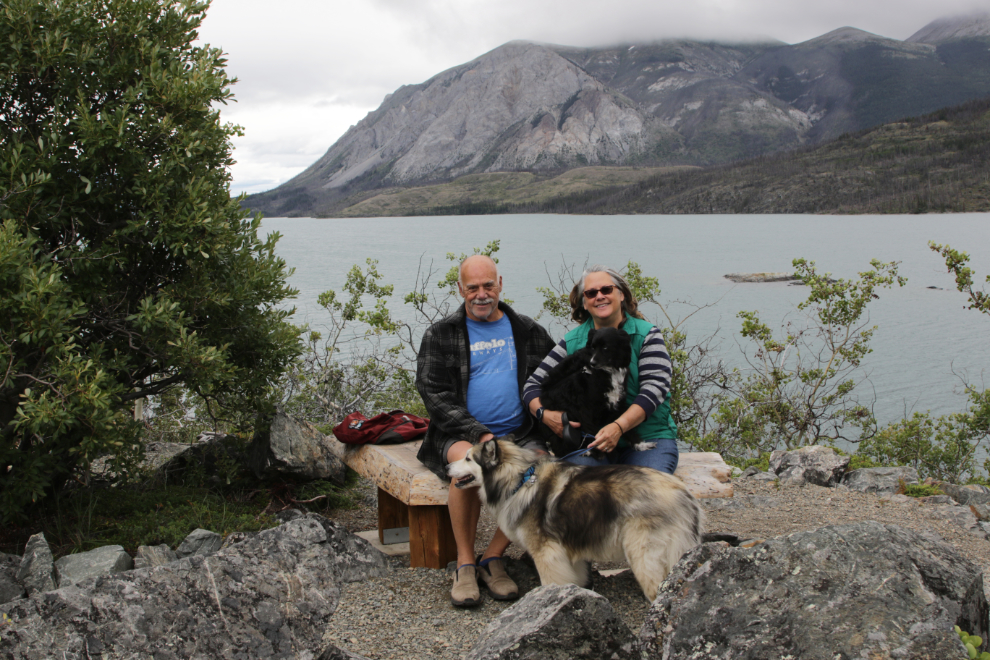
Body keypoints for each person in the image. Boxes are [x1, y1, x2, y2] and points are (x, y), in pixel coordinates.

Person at [416, 254, 555, 608]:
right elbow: (433, 393)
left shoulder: (528, 330)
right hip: (459, 432)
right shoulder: (441, 334)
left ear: (500, 284)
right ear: (461, 289)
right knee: (470, 465)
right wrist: (480, 434)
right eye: (473, 287)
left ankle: (492, 557)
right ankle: (464, 562)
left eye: (488, 285)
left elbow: (555, 380)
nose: (481, 294)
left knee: (537, 471)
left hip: (520, 431)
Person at [523, 265, 679, 473]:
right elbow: (532, 386)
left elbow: (655, 388)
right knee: (583, 488)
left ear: (621, 295)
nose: (599, 296)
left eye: (606, 290)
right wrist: (545, 415)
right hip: (590, 441)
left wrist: (619, 427)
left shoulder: (647, 336)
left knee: (648, 489)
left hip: (647, 436)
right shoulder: (572, 342)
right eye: (591, 293)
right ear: (584, 303)